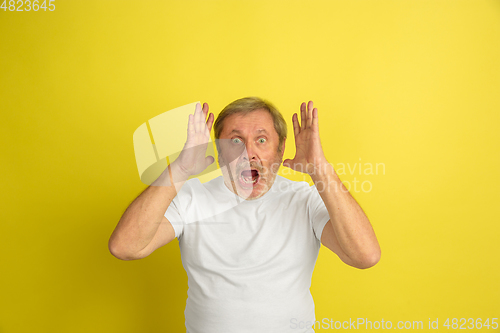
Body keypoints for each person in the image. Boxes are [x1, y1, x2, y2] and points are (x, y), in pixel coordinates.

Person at [108, 97, 381, 333]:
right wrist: (180, 168)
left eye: (261, 140)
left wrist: (320, 169)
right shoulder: (192, 197)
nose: (248, 153)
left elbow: (364, 256)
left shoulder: (305, 199)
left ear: (280, 149)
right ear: (219, 150)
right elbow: (125, 247)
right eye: (235, 141)